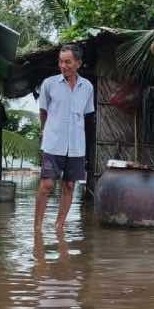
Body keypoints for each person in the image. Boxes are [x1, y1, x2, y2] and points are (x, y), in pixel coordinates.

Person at [35, 44, 94, 232]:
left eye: (68, 62)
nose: (63, 66)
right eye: (61, 61)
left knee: (69, 185)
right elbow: (43, 112)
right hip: (53, 142)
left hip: (76, 145)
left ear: (78, 63)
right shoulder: (49, 84)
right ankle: (37, 227)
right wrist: (44, 131)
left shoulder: (87, 87)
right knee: (46, 184)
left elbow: (86, 115)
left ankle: (59, 227)